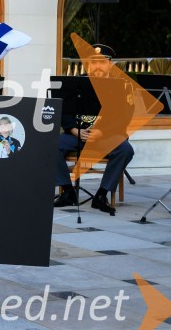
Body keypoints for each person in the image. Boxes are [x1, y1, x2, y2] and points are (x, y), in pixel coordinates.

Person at [53, 44, 134, 215]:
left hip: (106, 136)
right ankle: (68, 191)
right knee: (51, 145)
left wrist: (102, 132)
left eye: (102, 62)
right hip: (78, 135)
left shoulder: (122, 85)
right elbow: (64, 111)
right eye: (93, 62)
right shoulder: (75, 83)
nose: (97, 66)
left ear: (109, 64)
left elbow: (124, 117)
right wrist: (75, 130)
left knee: (126, 149)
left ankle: (101, 195)